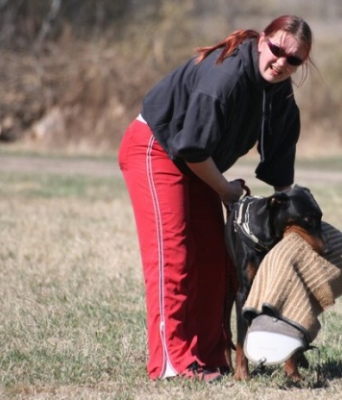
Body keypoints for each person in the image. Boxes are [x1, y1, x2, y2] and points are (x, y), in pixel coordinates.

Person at [118, 15, 313, 382]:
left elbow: (281, 178)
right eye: (276, 50)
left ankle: (211, 358)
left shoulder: (280, 93)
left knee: (215, 258)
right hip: (156, 150)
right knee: (174, 257)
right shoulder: (225, 78)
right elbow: (190, 147)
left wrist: (292, 232)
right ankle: (173, 363)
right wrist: (225, 191)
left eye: (294, 60)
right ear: (262, 41)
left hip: (199, 163)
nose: (281, 63)